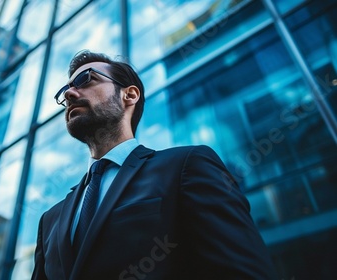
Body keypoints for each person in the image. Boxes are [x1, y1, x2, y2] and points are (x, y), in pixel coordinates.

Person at [31, 50, 277, 280]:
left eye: (86, 80)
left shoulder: (186, 167)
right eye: (66, 89)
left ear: (130, 95)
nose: (69, 94)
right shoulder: (49, 220)